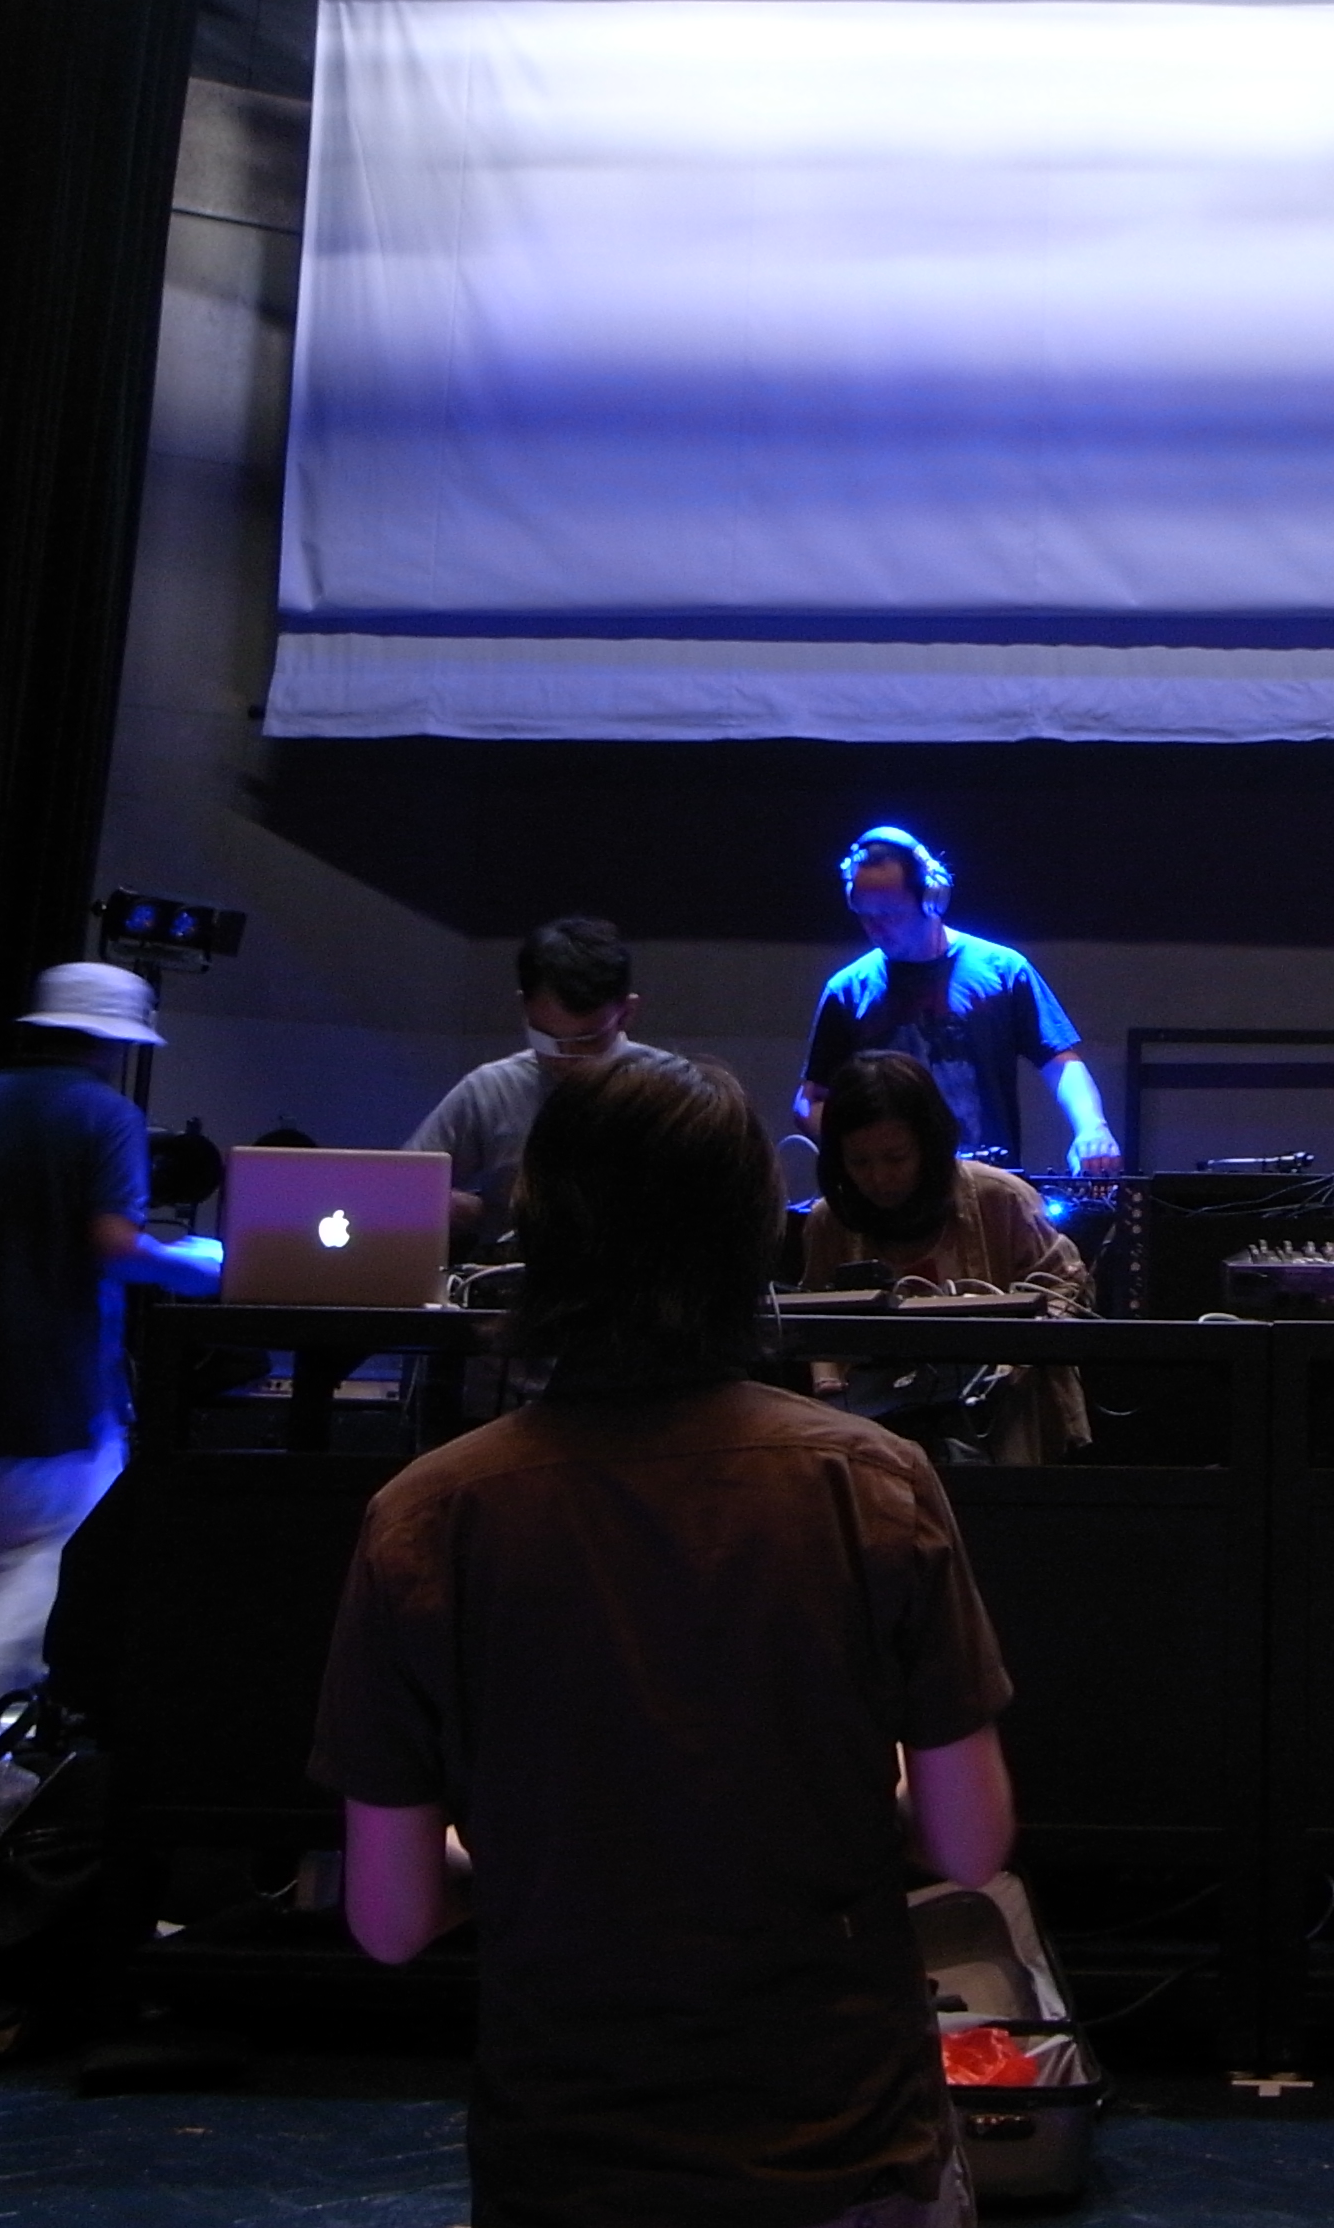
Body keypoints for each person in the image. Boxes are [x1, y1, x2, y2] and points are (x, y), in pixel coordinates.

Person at [317, 1056, 1016, 2228]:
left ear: (543, 1235)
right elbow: (970, 1837)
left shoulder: (425, 1517)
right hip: (847, 2151)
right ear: (751, 1238)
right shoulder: (872, 1480)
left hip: (564, 2164)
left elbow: (388, 1921)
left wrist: (561, 1852)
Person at [0, 962, 216, 1796]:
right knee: (54, 1582)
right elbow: (113, 1243)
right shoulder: (105, 1115)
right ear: (112, 1043)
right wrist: (204, 1264)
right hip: (59, 1397)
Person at [802, 1052, 1094, 1463]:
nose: (879, 1178)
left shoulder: (1001, 1199)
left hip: (1002, 1427)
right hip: (877, 1439)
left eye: (895, 1158)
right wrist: (828, 1383)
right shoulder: (829, 1221)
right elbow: (816, 1327)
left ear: (929, 1145)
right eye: (859, 1162)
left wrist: (1010, 1356)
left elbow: (1068, 1288)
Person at [797, 829, 1120, 1176]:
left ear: (932, 899)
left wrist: (1093, 1127)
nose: (876, 929)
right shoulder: (847, 990)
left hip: (988, 1186)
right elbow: (810, 1102)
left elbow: (1061, 1064)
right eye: (865, 914)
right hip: (889, 1191)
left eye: (890, 914)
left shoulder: (1003, 970)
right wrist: (866, 1150)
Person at [407, 917, 700, 1247]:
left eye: (588, 1042)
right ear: (524, 1008)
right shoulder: (491, 1090)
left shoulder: (676, 1090)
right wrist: (448, 1205)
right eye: (545, 1040)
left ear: (626, 1013)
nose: (565, 1058)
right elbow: (395, 1191)